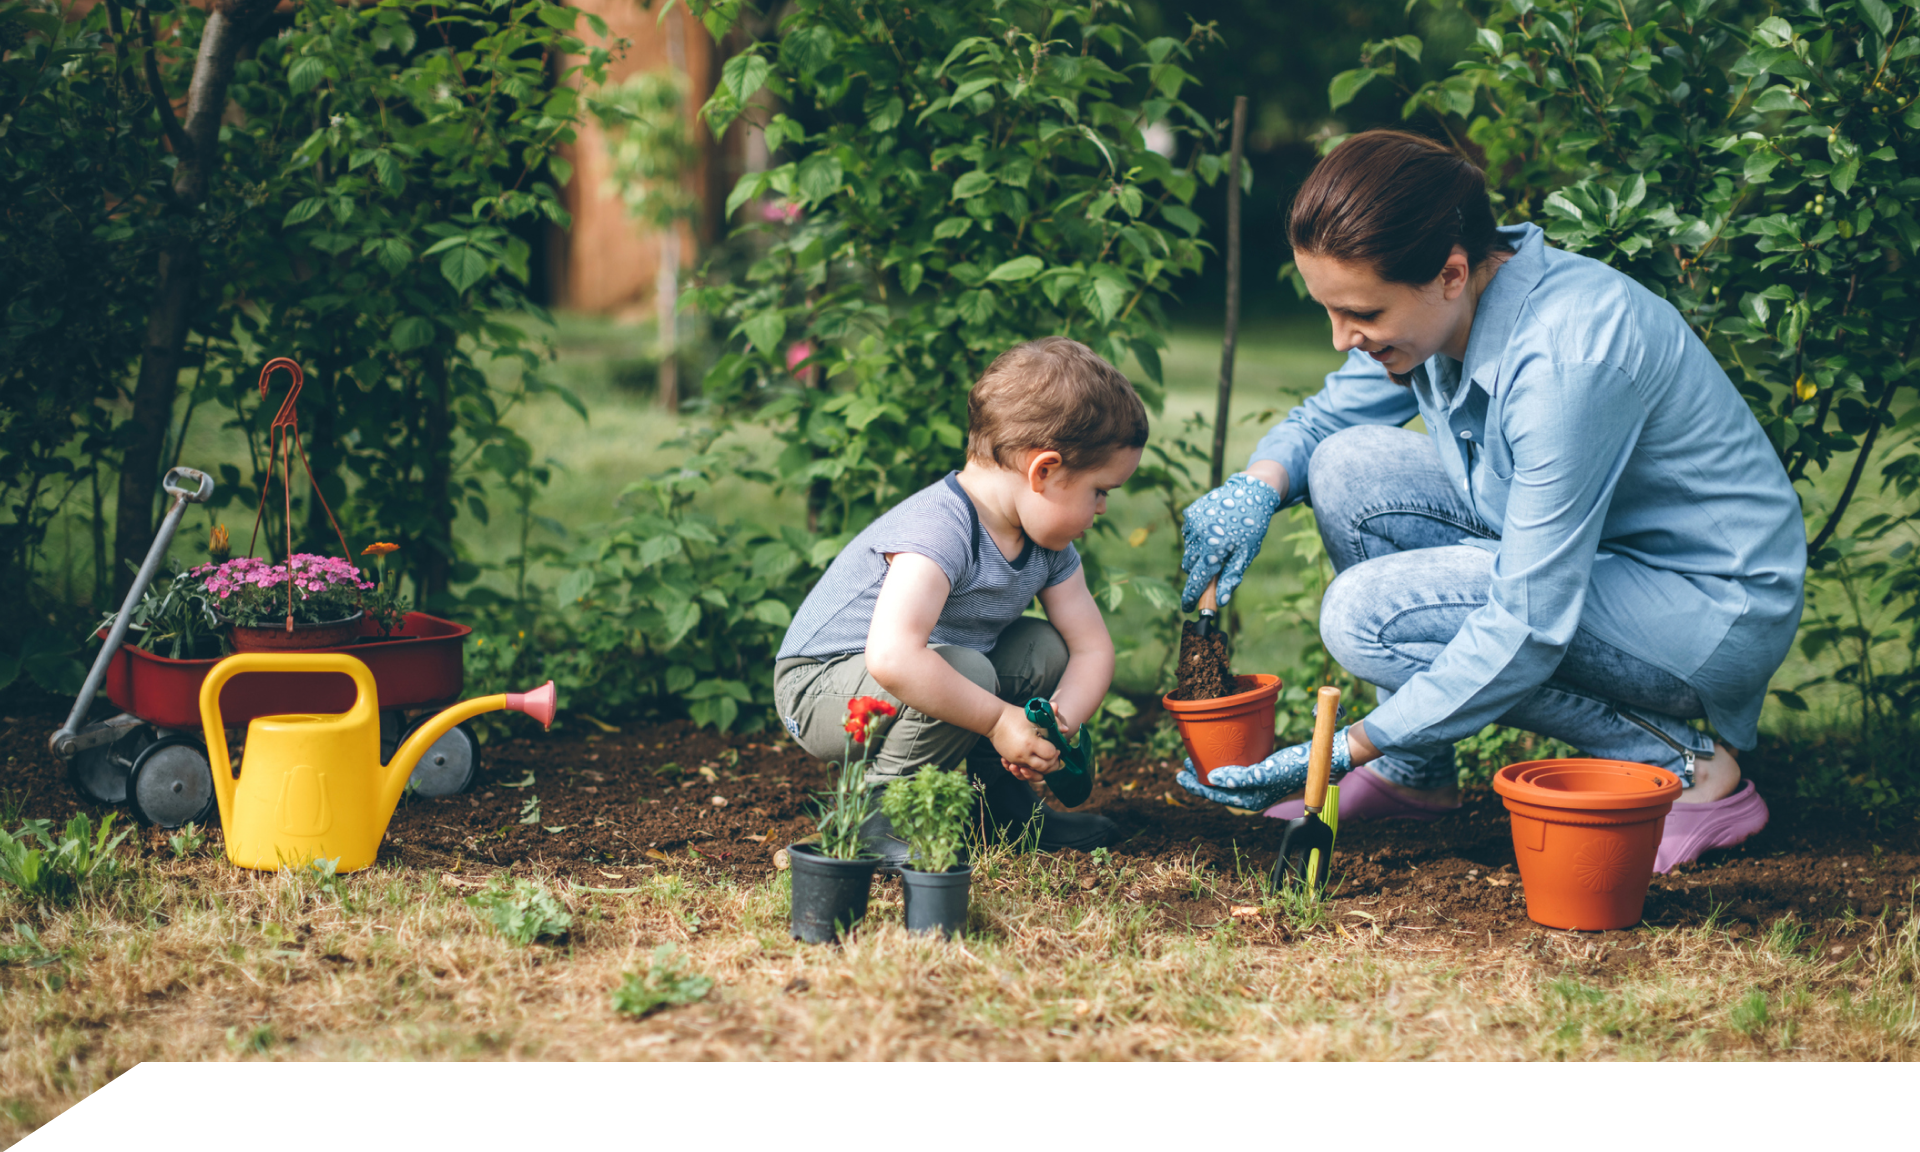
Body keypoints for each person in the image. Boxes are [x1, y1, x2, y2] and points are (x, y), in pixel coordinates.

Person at [1176, 130, 1803, 872]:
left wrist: (1356, 743)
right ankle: (1419, 774)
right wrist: (1258, 485)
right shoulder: (1449, 307)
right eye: (1330, 311)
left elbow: (1529, 621)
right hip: (1605, 559)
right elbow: (1324, 425)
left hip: (1705, 609)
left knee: (1365, 615)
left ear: (1449, 272)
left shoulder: (1567, 357)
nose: (1343, 337)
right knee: (1347, 467)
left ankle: (1689, 770)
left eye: (1363, 315)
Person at [775, 337, 1142, 867]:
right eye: (1100, 491)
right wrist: (998, 722)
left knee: (1042, 645)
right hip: (820, 688)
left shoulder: (1048, 544)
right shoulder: (941, 528)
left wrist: (1052, 727)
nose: (1103, 508)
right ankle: (877, 818)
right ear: (1043, 471)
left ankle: (1002, 810)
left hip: (921, 671)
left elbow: (1090, 650)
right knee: (967, 671)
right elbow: (894, 658)